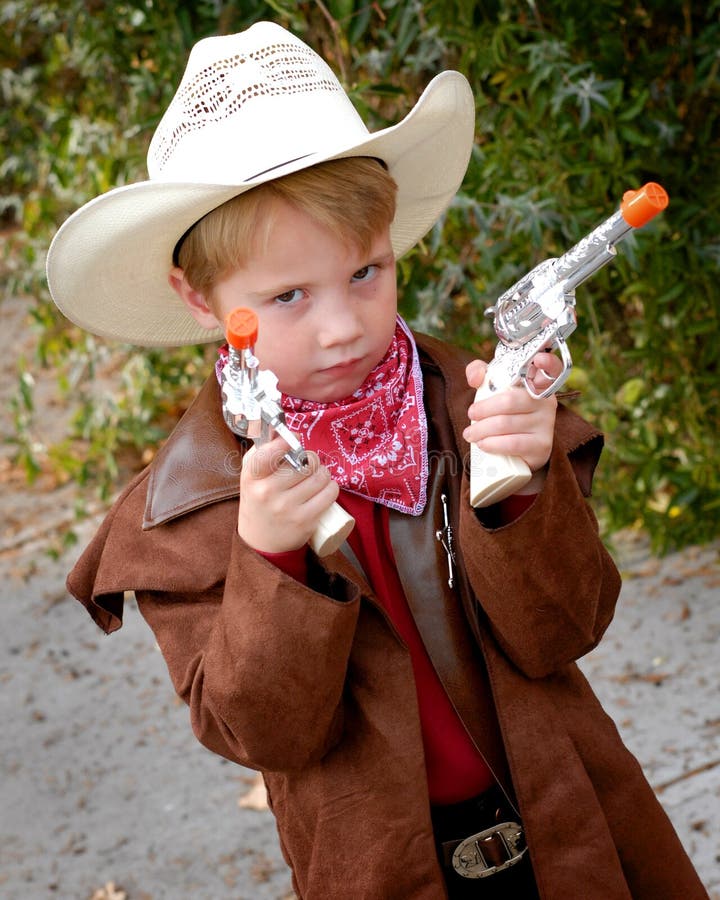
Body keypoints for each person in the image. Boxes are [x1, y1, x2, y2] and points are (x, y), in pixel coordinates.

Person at [46, 21, 708, 900]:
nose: (342, 325)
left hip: (577, 834)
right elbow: (263, 734)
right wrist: (271, 558)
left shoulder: (470, 406)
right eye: (287, 296)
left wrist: (515, 489)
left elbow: (567, 628)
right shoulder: (190, 510)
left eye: (367, 272)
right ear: (199, 299)